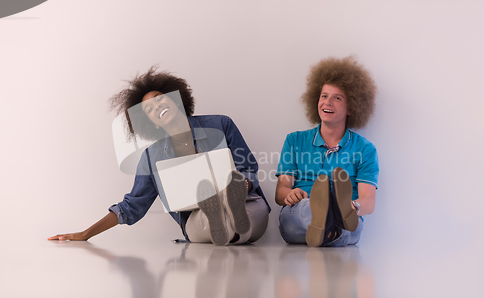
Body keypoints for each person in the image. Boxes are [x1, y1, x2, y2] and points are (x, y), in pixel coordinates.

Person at [48, 67, 270, 245]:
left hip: (245, 201)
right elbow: (132, 205)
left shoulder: (221, 124)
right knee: (218, 224)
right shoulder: (151, 156)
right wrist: (85, 233)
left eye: (159, 99)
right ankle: (222, 219)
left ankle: (229, 211)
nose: (157, 107)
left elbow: (248, 167)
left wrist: (243, 184)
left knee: (252, 215)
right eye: (149, 109)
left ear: (174, 98)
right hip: (196, 217)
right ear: (150, 122)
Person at [275, 55, 379, 247]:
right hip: (299, 213)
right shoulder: (294, 141)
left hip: (348, 213)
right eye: (324, 96)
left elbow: (368, 201)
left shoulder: (365, 149)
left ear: (352, 107)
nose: (327, 102)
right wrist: (289, 194)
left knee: (351, 222)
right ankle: (332, 222)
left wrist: (353, 206)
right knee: (307, 208)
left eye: (337, 98)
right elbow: (280, 192)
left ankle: (333, 222)